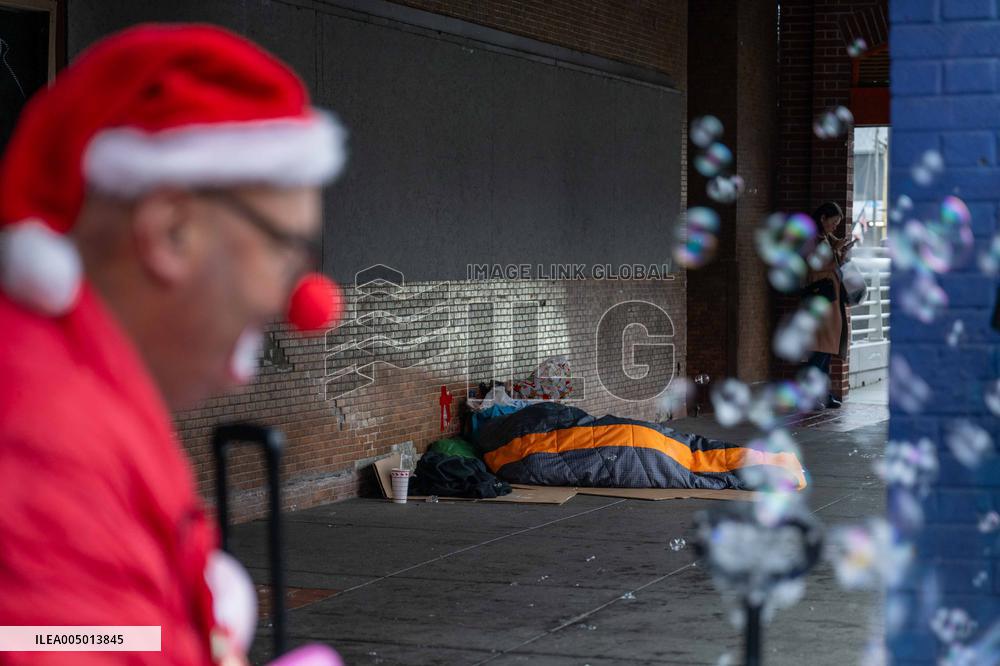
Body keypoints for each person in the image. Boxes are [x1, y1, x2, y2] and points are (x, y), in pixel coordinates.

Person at [0, 25, 347, 664]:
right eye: (283, 246)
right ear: (171, 231)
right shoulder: (41, 445)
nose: (298, 303)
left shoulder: (86, 402)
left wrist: (174, 630)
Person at [802, 201, 853, 409]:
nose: (835, 227)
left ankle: (824, 393)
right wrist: (835, 252)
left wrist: (841, 253)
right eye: (833, 222)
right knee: (819, 350)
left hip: (831, 300)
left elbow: (833, 265)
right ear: (822, 218)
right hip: (819, 300)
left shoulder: (828, 239)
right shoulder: (812, 239)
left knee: (827, 349)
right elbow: (813, 266)